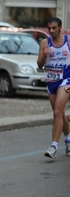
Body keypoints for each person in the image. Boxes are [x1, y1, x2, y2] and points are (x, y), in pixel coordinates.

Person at [37, 17, 70, 159]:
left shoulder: (68, 41)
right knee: (60, 113)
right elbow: (39, 64)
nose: (51, 31)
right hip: (51, 81)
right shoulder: (45, 42)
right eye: (49, 28)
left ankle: (53, 146)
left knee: (57, 112)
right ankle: (68, 139)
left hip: (66, 80)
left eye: (54, 28)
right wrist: (44, 56)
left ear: (60, 28)